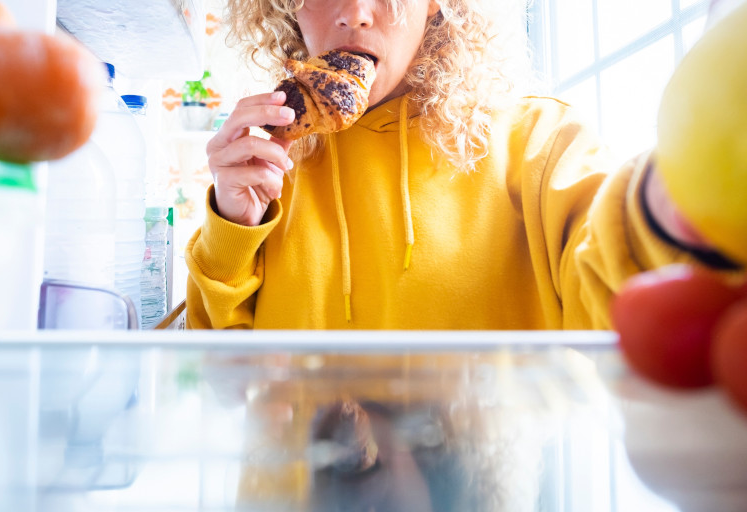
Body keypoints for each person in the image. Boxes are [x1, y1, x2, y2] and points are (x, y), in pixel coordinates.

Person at [185, 0, 740, 330]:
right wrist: (233, 231)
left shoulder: (539, 144)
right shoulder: (267, 167)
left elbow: (624, 302)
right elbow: (222, 381)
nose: (355, 13)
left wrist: (680, 193)